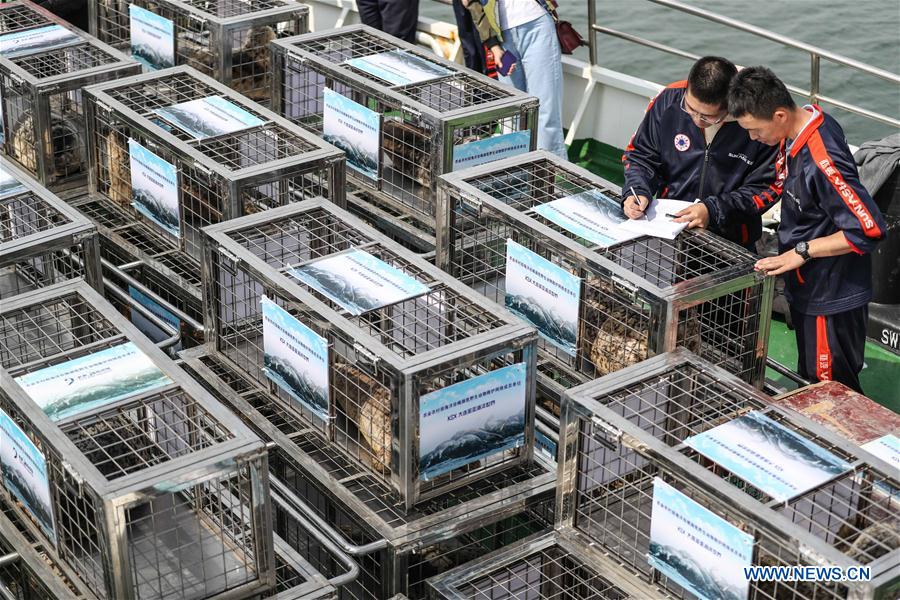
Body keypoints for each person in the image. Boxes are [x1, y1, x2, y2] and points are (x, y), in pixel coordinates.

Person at [726, 66, 886, 392]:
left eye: (755, 130)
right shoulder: (801, 128)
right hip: (807, 287)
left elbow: (868, 229)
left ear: (780, 115)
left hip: (830, 294)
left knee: (829, 387)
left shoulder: (821, 159)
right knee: (811, 375)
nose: (753, 138)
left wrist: (802, 251)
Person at [622, 56, 779, 250]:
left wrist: (712, 210)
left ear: (730, 105)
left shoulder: (760, 123)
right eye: (690, 109)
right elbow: (640, 154)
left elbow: (767, 186)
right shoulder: (669, 99)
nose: (697, 120)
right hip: (667, 228)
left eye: (708, 117)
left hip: (731, 240)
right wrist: (636, 191)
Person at [462, 0, 566, 159]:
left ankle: (551, 169)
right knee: (512, 112)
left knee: (545, 107)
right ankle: (514, 168)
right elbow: (471, 4)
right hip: (502, 36)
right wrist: (493, 46)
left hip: (536, 24)